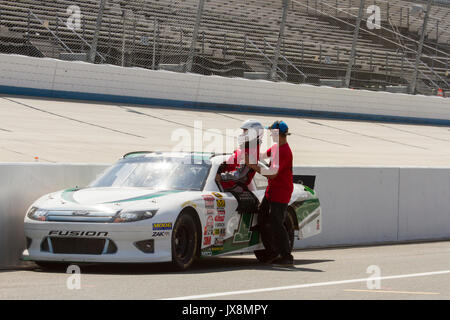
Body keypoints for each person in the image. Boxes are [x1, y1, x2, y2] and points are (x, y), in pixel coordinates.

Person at [248, 120, 294, 267]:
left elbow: (273, 174)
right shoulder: (275, 147)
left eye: (271, 132)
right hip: (272, 190)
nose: (270, 135)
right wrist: (249, 150)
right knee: (262, 218)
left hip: (281, 192)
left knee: (276, 223)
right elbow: (262, 155)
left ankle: (286, 256)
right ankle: (272, 251)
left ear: (278, 133)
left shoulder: (285, 152)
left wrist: (253, 166)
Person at [216, 120, 264, 192]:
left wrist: (221, 177)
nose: (243, 133)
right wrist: (222, 166)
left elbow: (240, 174)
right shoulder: (245, 148)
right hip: (226, 185)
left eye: (245, 131)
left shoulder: (251, 152)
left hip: (232, 189)